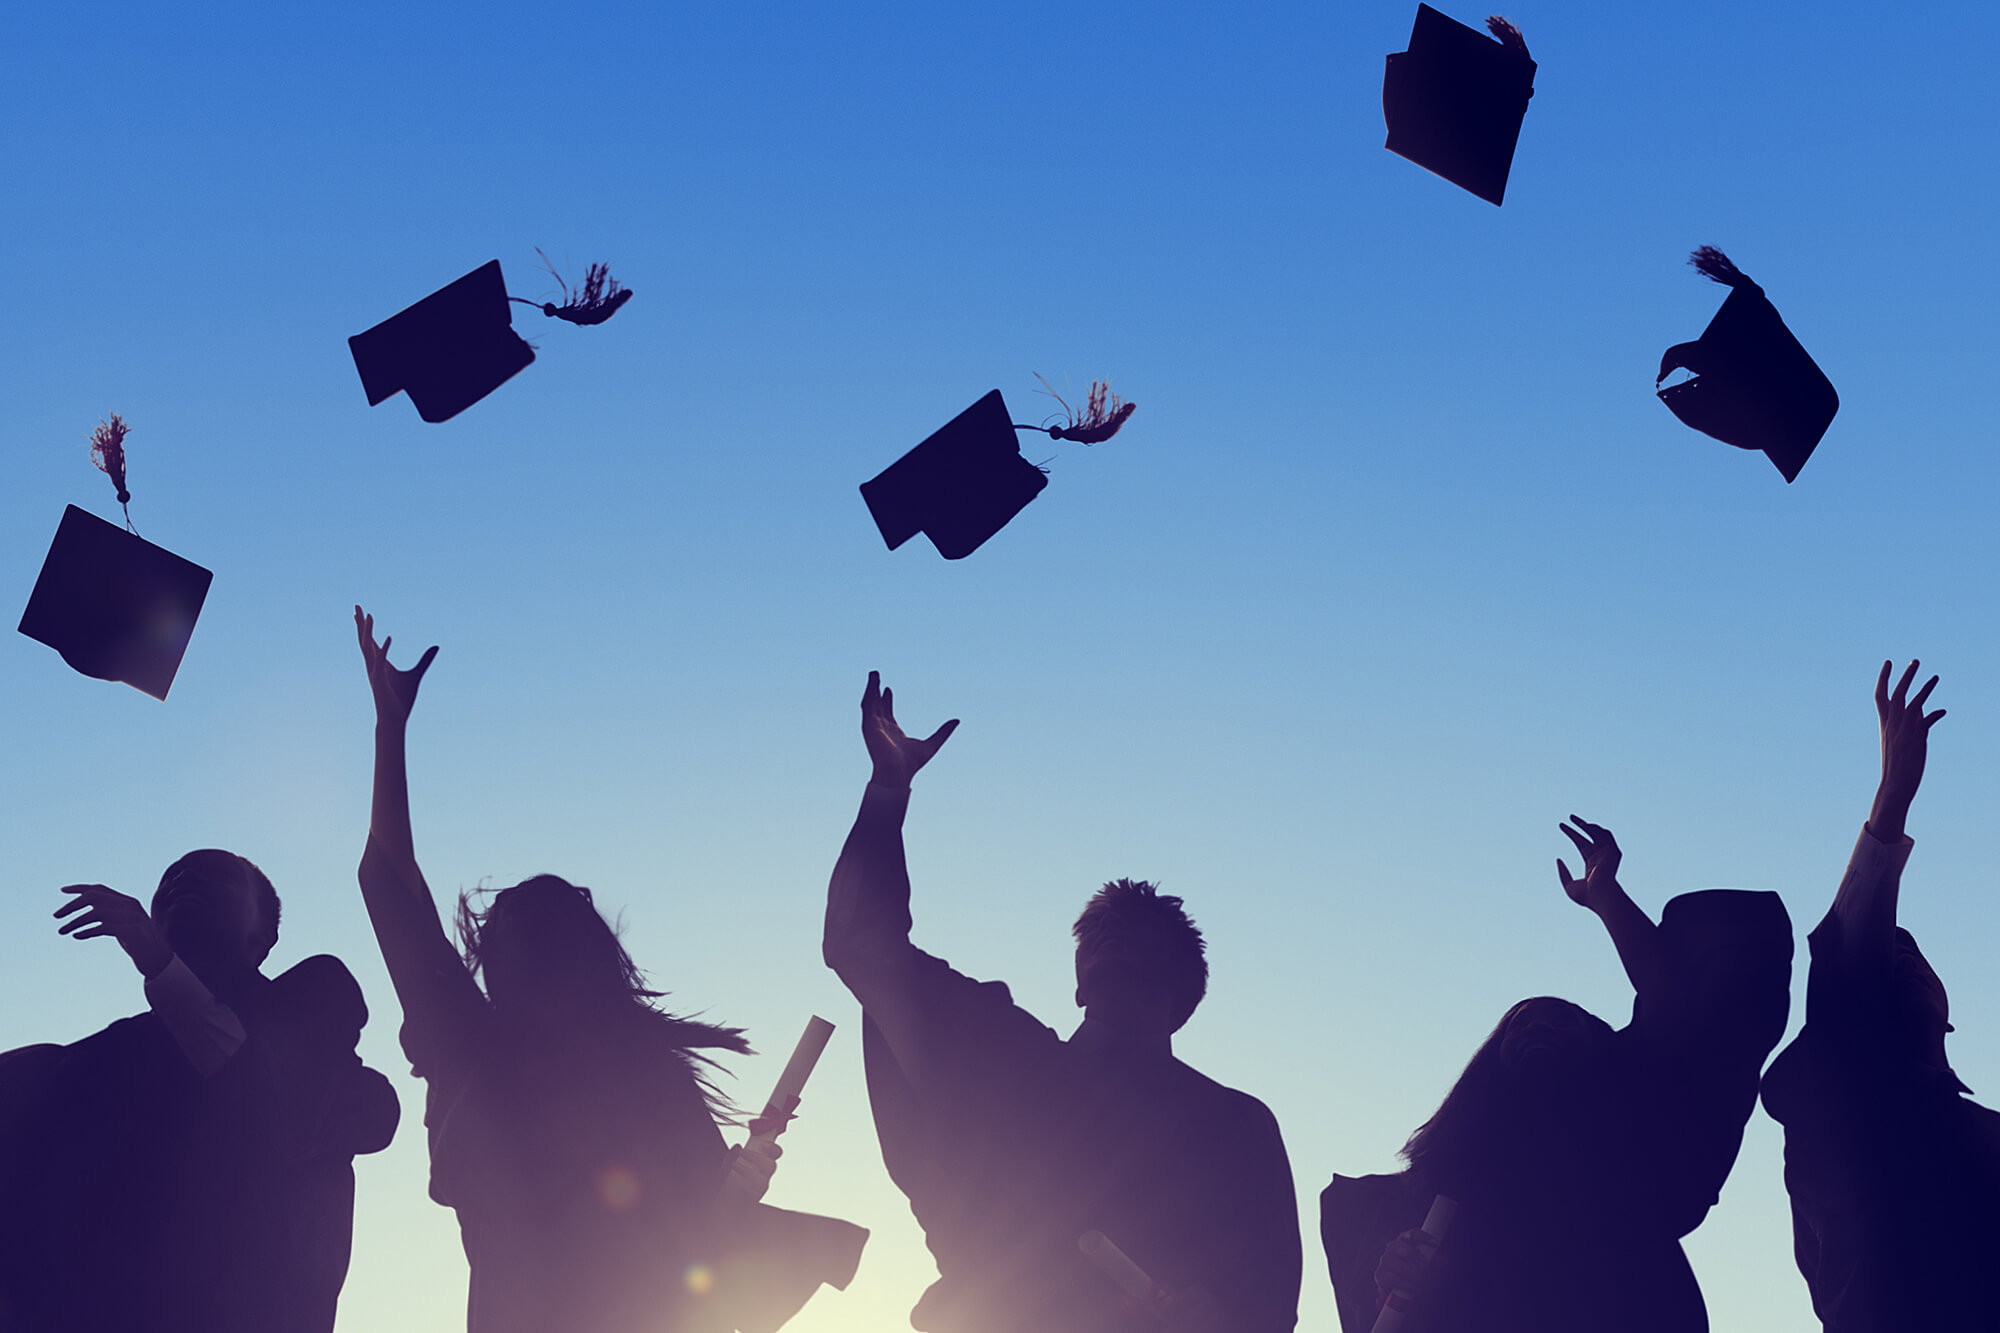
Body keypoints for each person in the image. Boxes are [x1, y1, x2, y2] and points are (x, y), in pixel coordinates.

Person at [352, 607, 865, 1333]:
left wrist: (736, 1183)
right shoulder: (502, 1045)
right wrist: (389, 727)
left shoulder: (488, 1046)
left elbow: (387, 882)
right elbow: (388, 881)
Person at [823, 672, 1301, 1333]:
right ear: (1081, 979)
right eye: (1110, 939)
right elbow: (860, 942)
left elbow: (1270, 1310)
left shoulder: (1235, 1126)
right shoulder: (1006, 1056)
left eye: (1141, 945)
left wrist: (1215, 1315)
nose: (1122, 949)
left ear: (1179, 992)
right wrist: (887, 791)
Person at [1322, 816, 1791, 1333]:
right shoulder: (1444, 1200)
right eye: (1521, 1024)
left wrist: (1608, 901)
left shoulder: (1631, 1177)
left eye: (1561, 1020)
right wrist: (1399, 1277)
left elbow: (1687, 1021)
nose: (1538, 1027)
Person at [0, 849, 400, 1333]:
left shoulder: (315, 998)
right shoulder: (103, 1055)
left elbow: (274, 1110)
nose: (182, 878)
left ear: (264, 937)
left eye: (215, 876)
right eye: (170, 877)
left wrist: (159, 964)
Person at [1760, 661, 2000, 1329]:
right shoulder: (1846, 1108)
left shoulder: (1977, 1129)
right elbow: (1846, 987)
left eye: (1912, 954)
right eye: (1888, 956)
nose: (1904, 963)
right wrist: (1891, 799)